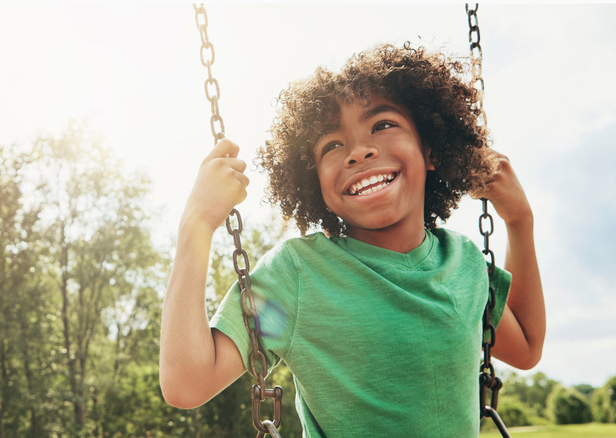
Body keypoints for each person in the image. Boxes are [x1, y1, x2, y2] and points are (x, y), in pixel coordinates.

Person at [159, 43, 545, 437]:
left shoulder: (462, 262)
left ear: (430, 150)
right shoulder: (298, 275)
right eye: (332, 145)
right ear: (315, 182)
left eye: (382, 125)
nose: (358, 152)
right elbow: (188, 383)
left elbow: (527, 348)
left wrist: (520, 220)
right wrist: (196, 225)